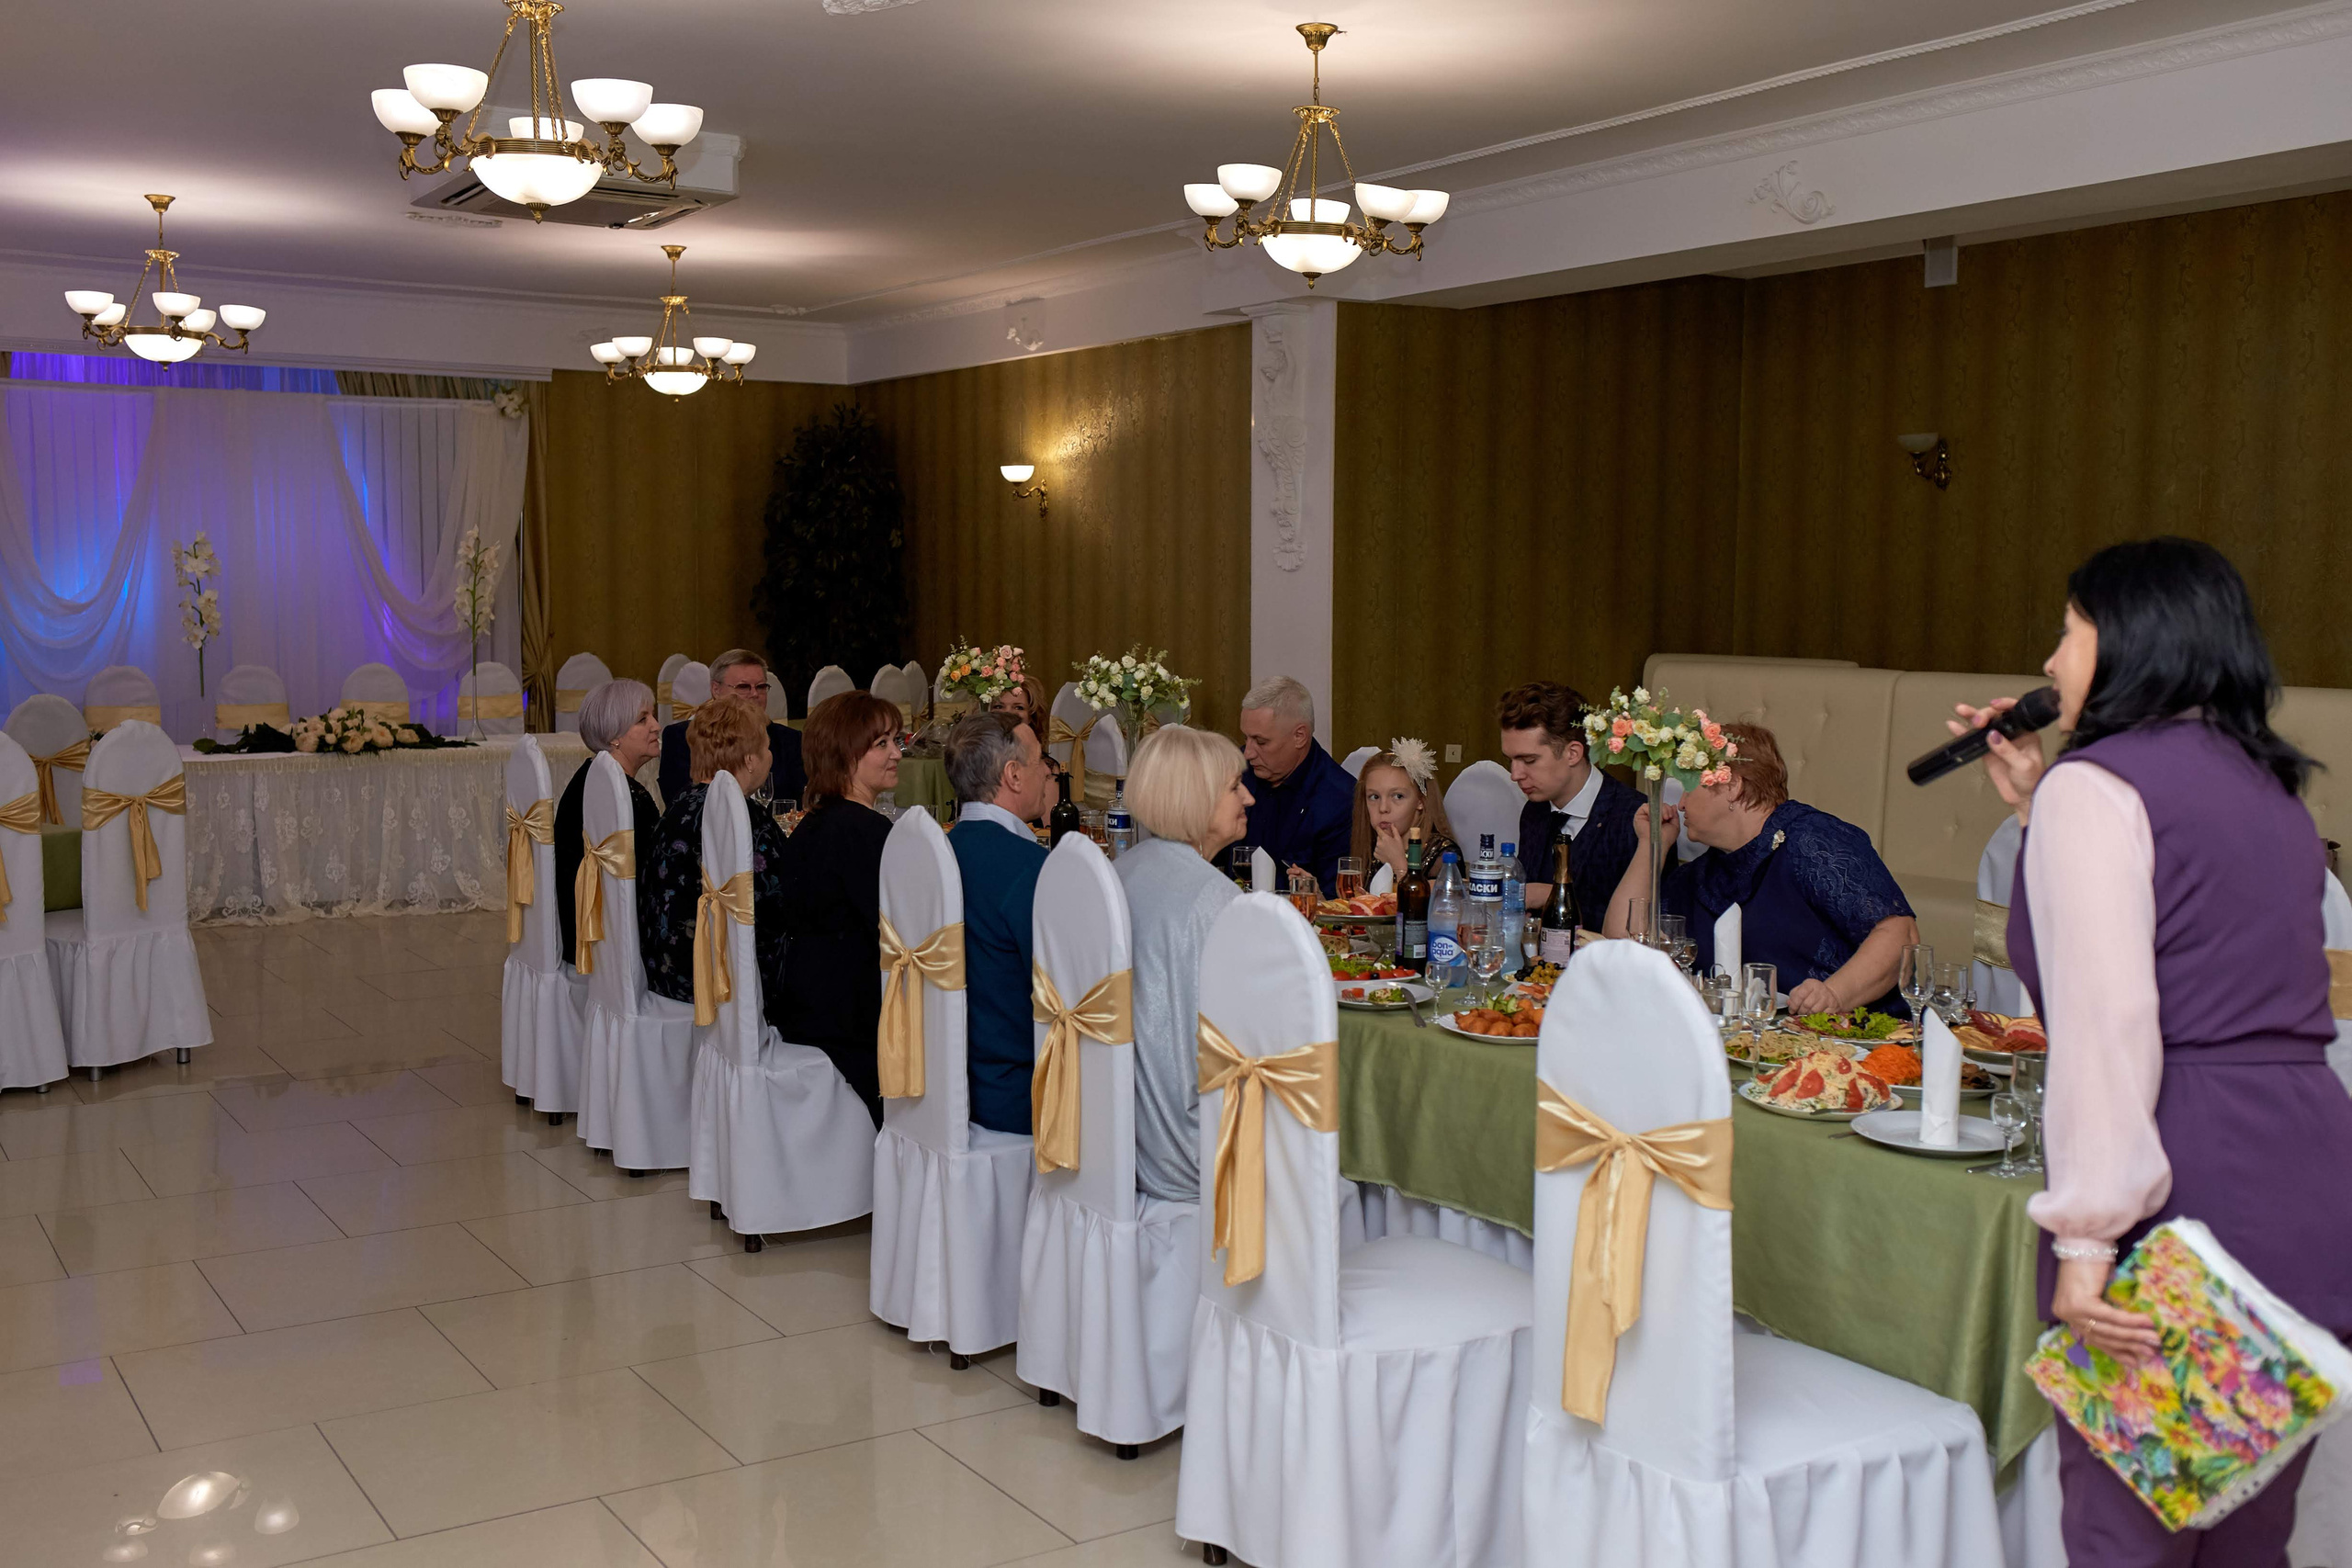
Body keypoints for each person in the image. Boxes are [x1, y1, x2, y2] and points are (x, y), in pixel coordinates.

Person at [1959, 536, 2352, 1567]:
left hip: (2183, 1182)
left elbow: (2109, 1029)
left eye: (2069, 630)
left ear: (2130, 639)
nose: (2049, 661)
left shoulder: (2103, 788)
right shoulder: (2267, 789)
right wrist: (2037, 804)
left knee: (2127, 1534)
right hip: (2306, 1176)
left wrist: (2087, 1243)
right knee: (2242, 1532)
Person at [1605, 722, 1917, 1015]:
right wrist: (1652, 845)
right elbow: (1623, 939)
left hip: (1858, 1042)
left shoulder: (1812, 839)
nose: (1682, 803)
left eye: (1689, 787)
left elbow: (1900, 935)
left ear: (1732, 787)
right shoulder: (1707, 872)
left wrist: (1833, 995)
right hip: (1760, 1044)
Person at [1115, 725, 1251, 1204]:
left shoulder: (1124, 870)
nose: (1249, 798)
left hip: (1117, 1135)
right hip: (1186, 1149)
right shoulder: (1215, 898)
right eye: (1235, 786)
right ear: (1196, 798)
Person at [770, 691, 903, 1127]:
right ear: (846, 756)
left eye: (895, 741)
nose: (896, 754)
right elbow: (895, 934)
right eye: (881, 744)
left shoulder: (818, 820)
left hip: (807, 998)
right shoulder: (864, 830)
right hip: (844, 1016)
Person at [639, 699, 790, 1021]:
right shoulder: (744, 818)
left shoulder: (679, 806)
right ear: (750, 759)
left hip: (668, 971)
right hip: (718, 984)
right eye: (766, 746)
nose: (771, 755)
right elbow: (783, 903)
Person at [945, 711, 1054, 1136]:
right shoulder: (1029, 868)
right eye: (1040, 761)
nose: (1048, 773)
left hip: (950, 1082)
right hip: (1016, 1095)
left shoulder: (943, 847)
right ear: (1013, 775)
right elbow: (1065, 994)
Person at [1500, 682, 1642, 932]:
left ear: (1573, 753)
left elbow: (1646, 924)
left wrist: (1552, 896)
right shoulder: (1534, 812)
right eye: (1511, 760)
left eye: (1529, 760)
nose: (1515, 775)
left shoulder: (1635, 818)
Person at [553, 679, 663, 970]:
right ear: (614, 736)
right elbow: (655, 875)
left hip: (587, 931)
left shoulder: (591, 777)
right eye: (642, 719)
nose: (656, 726)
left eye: (652, 715)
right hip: (607, 942)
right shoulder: (623, 796)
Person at [1238, 674, 1352, 896]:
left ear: (1299, 736)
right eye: (1246, 739)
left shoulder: (1339, 800)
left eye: (1261, 742)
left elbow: (1334, 901)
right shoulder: (1237, 773)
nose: (1248, 753)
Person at [658, 648, 808, 807]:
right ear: (716, 689)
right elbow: (679, 801)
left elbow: (801, 802)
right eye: (743, 687)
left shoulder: (789, 740)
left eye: (761, 687)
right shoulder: (683, 737)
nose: (754, 694)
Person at [1350, 738, 1460, 888]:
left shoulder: (1443, 854)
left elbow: (1426, 908)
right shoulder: (1373, 847)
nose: (1383, 808)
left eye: (1397, 796)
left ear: (1420, 801)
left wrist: (1398, 866)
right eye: (1374, 797)